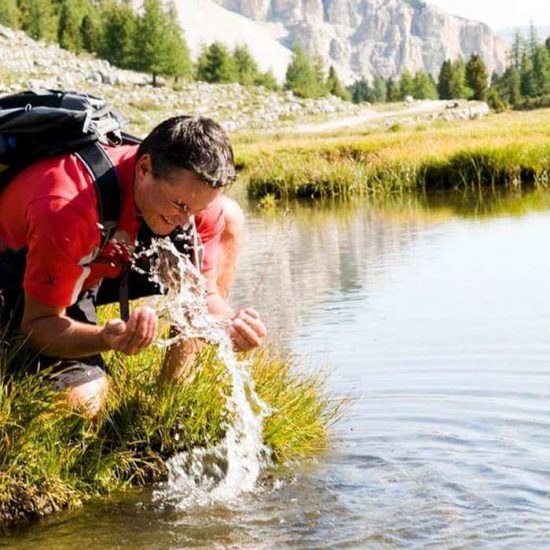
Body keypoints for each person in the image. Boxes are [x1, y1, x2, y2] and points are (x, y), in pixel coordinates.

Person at [0, 115, 266, 416]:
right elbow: (37, 325)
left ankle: (169, 401)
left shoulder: (191, 197)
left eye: (198, 209)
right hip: (22, 271)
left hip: (101, 258)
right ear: (144, 169)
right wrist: (105, 338)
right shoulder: (65, 207)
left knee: (229, 217)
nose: (186, 222)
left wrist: (227, 326)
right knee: (85, 403)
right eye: (180, 206)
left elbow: (201, 298)